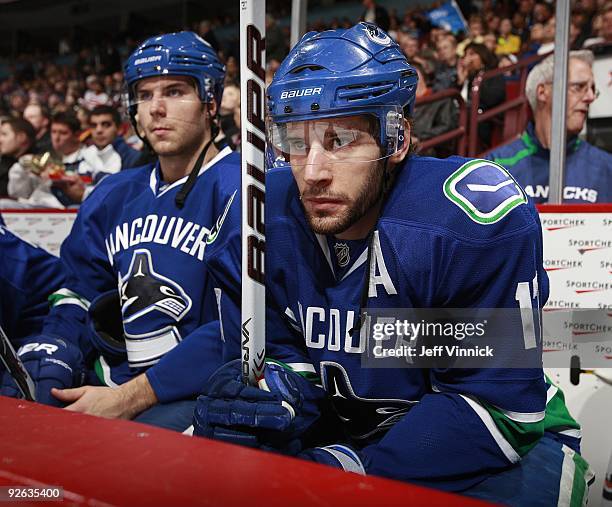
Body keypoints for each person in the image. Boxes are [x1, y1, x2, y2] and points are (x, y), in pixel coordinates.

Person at [193, 22, 593, 505]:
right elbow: (283, 352)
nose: (313, 171)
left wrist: (349, 470)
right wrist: (270, 393)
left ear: (396, 139)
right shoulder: (258, 217)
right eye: (297, 141)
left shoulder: (466, 223)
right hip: (339, 437)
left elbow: (496, 406)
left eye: (340, 139)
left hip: (496, 446)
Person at [0, 31, 242, 432]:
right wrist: (56, 351)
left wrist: (130, 398)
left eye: (175, 91)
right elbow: (78, 292)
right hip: (110, 382)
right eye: (144, 95)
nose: (156, 109)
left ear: (211, 101)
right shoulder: (113, 193)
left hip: (196, 394)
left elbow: (241, 328)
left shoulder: (245, 191)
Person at [487, 50, 612, 203]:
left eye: (593, 89)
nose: (590, 97)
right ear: (542, 92)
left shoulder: (605, 167)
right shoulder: (499, 165)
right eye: (579, 87)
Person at [79, 105, 142, 185]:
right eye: (94, 125)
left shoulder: (134, 158)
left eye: (106, 125)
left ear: (119, 129)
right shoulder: (85, 154)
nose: (99, 130)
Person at [0, 118, 35, 196]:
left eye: (4, 134)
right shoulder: (5, 160)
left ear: (21, 137)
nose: (0, 140)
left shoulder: (34, 165)